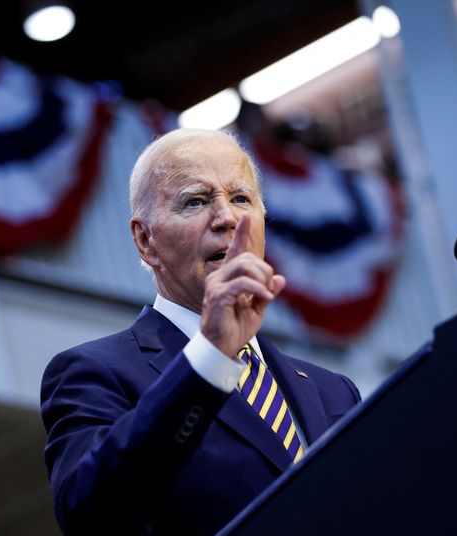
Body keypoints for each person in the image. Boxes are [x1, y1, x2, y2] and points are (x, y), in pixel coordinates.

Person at [40, 128, 361, 535]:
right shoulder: (95, 372)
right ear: (145, 241)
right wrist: (212, 358)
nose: (227, 218)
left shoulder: (334, 391)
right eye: (196, 201)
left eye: (241, 198)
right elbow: (89, 511)